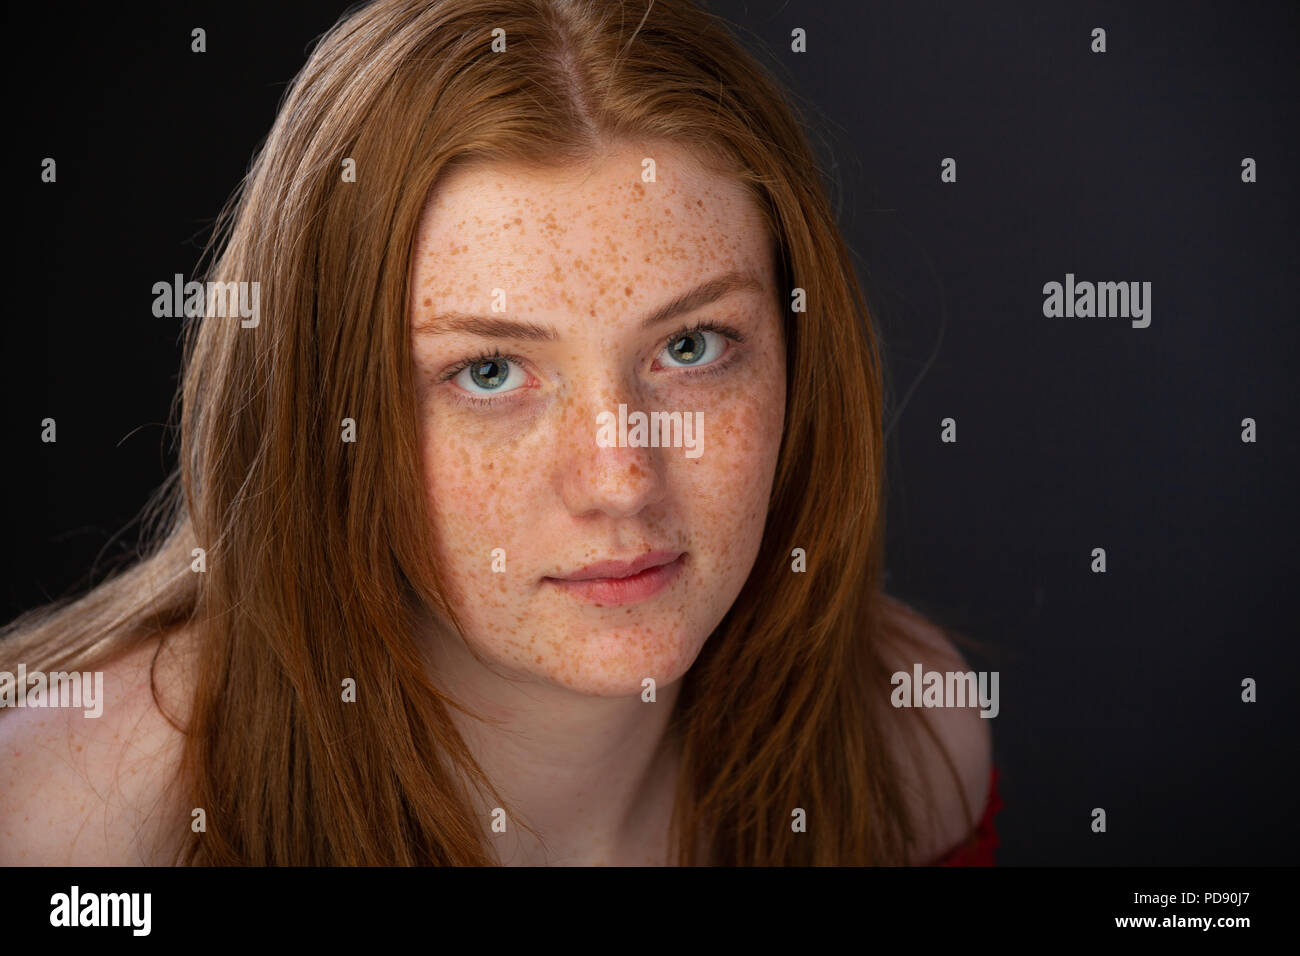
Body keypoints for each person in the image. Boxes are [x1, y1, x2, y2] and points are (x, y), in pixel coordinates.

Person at [0, 0, 996, 866]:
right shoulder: (71, 815)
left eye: (691, 346)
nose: (618, 478)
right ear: (324, 416)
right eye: (489, 372)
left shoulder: (903, 741)